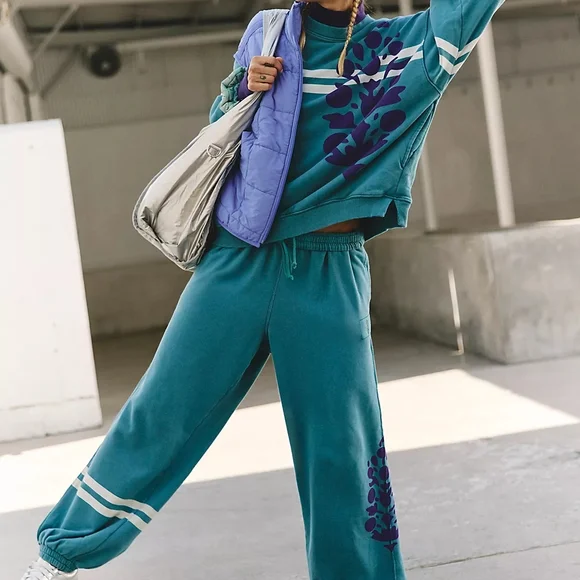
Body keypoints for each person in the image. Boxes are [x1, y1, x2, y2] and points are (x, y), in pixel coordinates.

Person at [21, 0, 504, 579]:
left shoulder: (406, 48)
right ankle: (59, 556)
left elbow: (467, 11)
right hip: (238, 259)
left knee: (342, 451)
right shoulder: (269, 30)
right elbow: (226, 128)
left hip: (329, 274)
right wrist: (242, 87)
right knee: (160, 411)